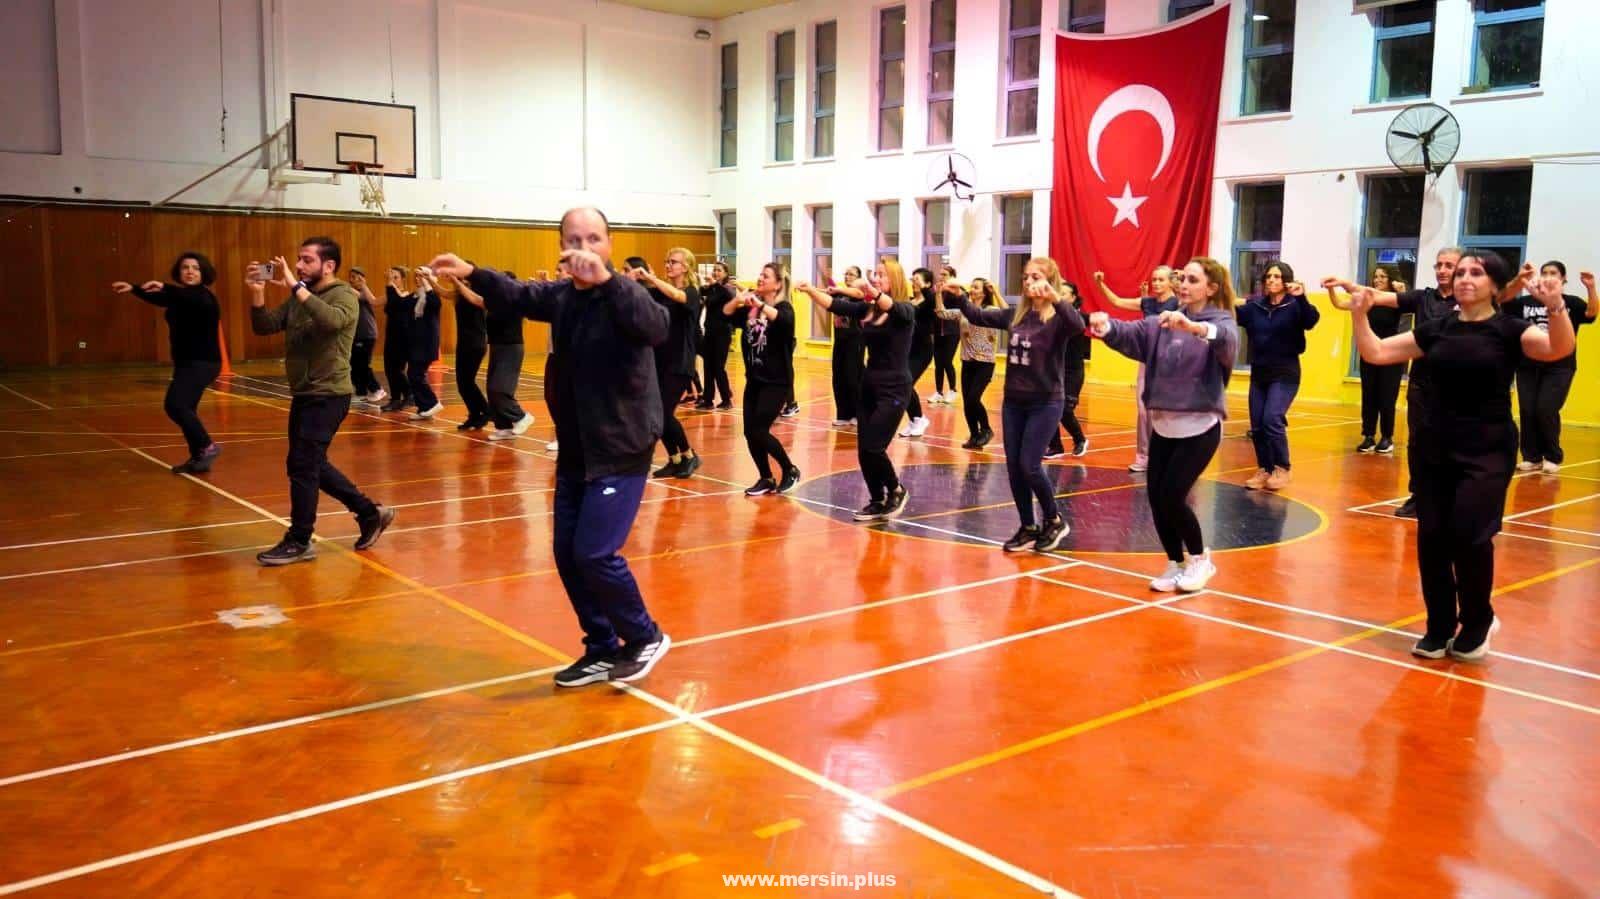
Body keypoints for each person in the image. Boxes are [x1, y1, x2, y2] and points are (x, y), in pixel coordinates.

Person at [428, 207, 672, 686]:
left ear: (609, 244)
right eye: (574, 240)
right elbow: (517, 294)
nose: (584, 249)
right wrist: (471, 271)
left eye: (594, 239)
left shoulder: (626, 296)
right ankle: (601, 646)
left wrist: (608, 280)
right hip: (578, 449)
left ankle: (644, 636)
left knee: (596, 554)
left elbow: (656, 326)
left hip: (621, 448)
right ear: (561, 247)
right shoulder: (562, 298)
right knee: (567, 554)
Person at [1349, 251, 1574, 661]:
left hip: (1486, 450)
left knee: (1470, 536)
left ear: (1495, 285)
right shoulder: (1437, 329)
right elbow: (1377, 353)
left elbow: (1558, 349)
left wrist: (1555, 305)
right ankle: (1438, 626)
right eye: (1460, 272)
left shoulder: (1510, 330)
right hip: (1434, 447)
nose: (1464, 278)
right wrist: (1359, 315)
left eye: (1476, 272)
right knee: (1432, 539)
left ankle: (1477, 621)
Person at [1090, 258, 1239, 592]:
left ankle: (1200, 559)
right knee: (1157, 497)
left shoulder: (1220, 321)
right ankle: (1175, 563)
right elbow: (1134, 333)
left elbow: (1227, 340)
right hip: (1164, 425)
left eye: (1193, 280)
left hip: (1200, 427)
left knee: (1173, 495)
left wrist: (1194, 328)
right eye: (1182, 278)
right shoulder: (1162, 321)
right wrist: (1107, 327)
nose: (1183, 284)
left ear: (1211, 288)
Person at [248, 238, 395, 566]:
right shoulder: (300, 296)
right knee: (307, 463)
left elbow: (331, 321)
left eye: (306, 260)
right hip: (305, 392)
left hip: (329, 394)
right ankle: (369, 513)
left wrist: (295, 287)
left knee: (304, 465)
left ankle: (300, 539)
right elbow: (264, 326)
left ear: (328, 266)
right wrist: (257, 292)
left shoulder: (344, 294)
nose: (298, 266)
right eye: (298, 259)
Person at [955, 258, 1085, 553]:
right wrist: (958, 295)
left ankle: (1054, 520)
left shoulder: (1058, 318)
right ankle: (1028, 526)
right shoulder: (1016, 315)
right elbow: (977, 315)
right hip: (1014, 402)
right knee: (1014, 468)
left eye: (1036, 277)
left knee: (1030, 465)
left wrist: (1055, 297)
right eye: (1025, 277)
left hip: (1045, 402)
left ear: (1050, 280)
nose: (1028, 282)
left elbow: (1078, 326)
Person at [1330, 247, 1462, 518]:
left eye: (1449, 265)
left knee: (1453, 444)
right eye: (1439, 265)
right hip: (1422, 385)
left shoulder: (1470, 301)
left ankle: (1452, 498)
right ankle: (1419, 496)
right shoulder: (1422, 298)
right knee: (1418, 443)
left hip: (1456, 387)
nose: (1442, 270)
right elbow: (1378, 296)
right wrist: (1348, 285)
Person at [798, 259, 914, 520]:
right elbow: (835, 305)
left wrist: (872, 291)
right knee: (863, 449)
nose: (876, 278)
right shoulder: (869, 309)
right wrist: (811, 290)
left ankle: (896, 490)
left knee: (874, 446)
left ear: (894, 280)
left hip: (894, 389)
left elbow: (894, 307)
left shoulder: (905, 310)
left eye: (882, 275)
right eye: (876, 274)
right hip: (870, 385)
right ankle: (877, 499)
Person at [111, 252, 224, 473]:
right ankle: (198, 457)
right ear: (179, 272)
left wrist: (164, 286)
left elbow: (183, 297)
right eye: (185, 267)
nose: (190, 271)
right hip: (187, 363)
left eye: (195, 268)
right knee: (187, 408)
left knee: (175, 405)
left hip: (202, 363)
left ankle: (207, 446)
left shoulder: (204, 297)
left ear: (204, 273)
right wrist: (134, 288)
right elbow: (161, 298)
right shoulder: (179, 296)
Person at [1498, 260, 1597, 473]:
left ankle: (1552, 456)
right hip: (1527, 364)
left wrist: (1590, 287)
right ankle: (1532, 457)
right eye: (1545, 272)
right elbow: (1501, 301)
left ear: (1563, 279)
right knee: (1527, 409)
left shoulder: (1571, 302)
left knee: (1546, 408)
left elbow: (1591, 314)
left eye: (1554, 273)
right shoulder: (1524, 302)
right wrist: (1518, 280)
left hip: (1560, 366)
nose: (1548, 276)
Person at [1236, 261, 1320, 491]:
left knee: (1272, 418)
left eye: (1277, 276)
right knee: (1257, 425)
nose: (1271, 280)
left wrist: (1302, 297)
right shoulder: (1255, 307)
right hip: (1259, 373)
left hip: (1285, 373)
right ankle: (1265, 468)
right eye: (1268, 277)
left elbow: (1311, 321)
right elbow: (1230, 313)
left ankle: (1282, 467)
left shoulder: (1295, 305)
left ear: (1286, 280)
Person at [724, 262, 801, 496]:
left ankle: (790, 469)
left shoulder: (784, 307)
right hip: (755, 379)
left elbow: (783, 321)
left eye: (765, 276)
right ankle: (766, 477)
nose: (760, 278)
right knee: (749, 432)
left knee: (759, 429)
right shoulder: (751, 309)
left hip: (776, 382)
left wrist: (759, 304)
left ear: (777, 284)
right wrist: (738, 300)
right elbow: (726, 313)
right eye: (759, 274)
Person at [1094, 266, 1180, 472]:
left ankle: (1168, 456)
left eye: (1161, 279)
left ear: (1170, 282)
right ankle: (1143, 456)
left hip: (1170, 361)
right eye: (1154, 279)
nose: (1156, 283)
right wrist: (1100, 283)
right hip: (1147, 359)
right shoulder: (1147, 302)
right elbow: (1117, 301)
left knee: (1167, 411)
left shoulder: (1179, 303)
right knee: (1143, 411)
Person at [632, 249, 704, 478]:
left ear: (686, 267)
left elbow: (678, 296)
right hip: (660, 361)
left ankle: (689, 455)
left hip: (680, 363)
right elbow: (641, 297)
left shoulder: (692, 292)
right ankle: (675, 459)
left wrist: (652, 279)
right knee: (655, 415)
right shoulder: (662, 293)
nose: (668, 265)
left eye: (673, 262)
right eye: (667, 261)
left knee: (663, 413)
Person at [1326, 266, 1406, 454]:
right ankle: (1368, 436)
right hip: (1369, 354)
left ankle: (1387, 437)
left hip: (1391, 355)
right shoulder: (1367, 299)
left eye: (1383, 276)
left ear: (1391, 279)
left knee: (1387, 397)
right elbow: (1339, 303)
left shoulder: (1395, 300)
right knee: (1369, 396)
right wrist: (1330, 288)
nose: (1378, 280)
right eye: (1375, 276)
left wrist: (1402, 290)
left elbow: (1408, 302)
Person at [937, 277, 1004, 449]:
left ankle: (986, 429)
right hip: (967, 362)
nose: (972, 290)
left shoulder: (991, 311)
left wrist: (996, 292)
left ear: (984, 292)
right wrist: (938, 293)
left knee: (974, 398)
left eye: (976, 287)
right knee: (967, 402)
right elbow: (941, 313)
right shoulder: (963, 311)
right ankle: (974, 435)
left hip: (985, 363)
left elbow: (1008, 315)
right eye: (971, 287)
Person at [1045, 281, 1092, 459]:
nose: (1060, 296)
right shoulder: (1051, 316)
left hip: (1072, 372)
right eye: (1059, 292)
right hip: (1053, 369)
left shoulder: (1078, 317)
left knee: (1064, 409)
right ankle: (1055, 446)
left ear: (1073, 298)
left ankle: (1080, 439)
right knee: (1048, 408)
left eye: (1064, 293)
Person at [447, 263, 491, 430]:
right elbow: (444, 293)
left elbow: (472, 298)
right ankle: (474, 414)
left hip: (475, 343)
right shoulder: (459, 293)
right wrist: (429, 279)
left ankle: (485, 412)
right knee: (462, 383)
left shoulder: (477, 293)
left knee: (467, 381)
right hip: (464, 343)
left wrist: (456, 281)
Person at [400, 266, 443, 420]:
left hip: (427, 342)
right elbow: (402, 304)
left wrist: (427, 281)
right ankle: (424, 407)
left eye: (421, 276)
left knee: (416, 374)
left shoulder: (432, 295)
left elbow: (435, 304)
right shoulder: (415, 296)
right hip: (416, 343)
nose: (418, 279)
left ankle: (432, 403)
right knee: (413, 374)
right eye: (416, 276)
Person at [899, 268, 938, 437]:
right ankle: (915, 419)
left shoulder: (929, 301)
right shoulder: (909, 301)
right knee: (902, 384)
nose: (913, 282)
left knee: (906, 383)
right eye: (912, 279)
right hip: (906, 349)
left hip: (922, 351)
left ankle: (919, 418)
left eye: (917, 279)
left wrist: (925, 288)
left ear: (927, 284)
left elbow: (931, 297)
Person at [827, 265, 867, 428]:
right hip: (840, 341)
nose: (847, 277)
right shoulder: (840, 295)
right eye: (846, 274)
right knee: (838, 377)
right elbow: (827, 295)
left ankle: (858, 414)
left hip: (855, 341)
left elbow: (857, 293)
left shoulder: (859, 295)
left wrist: (837, 289)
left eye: (851, 274)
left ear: (858, 278)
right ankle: (843, 415)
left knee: (853, 378)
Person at [697, 261, 737, 411]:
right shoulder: (712, 289)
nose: (715, 272)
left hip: (722, 333)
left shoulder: (727, 288)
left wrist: (714, 284)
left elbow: (729, 296)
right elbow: (700, 291)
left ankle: (726, 399)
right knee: (708, 366)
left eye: (719, 270)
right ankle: (708, 400)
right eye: (714, 270)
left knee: (718, 367)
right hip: (710, 332)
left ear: (726, 273)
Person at [347, 268, 386, 405]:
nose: (352, 280)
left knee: (362, 364)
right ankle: (361, 392)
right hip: (356, 334)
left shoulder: (364, 292)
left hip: (366, 334)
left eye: (355, 277)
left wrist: (337, 284)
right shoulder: (350, 292)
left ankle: (377, 389)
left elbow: (361, 296)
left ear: (362, 279)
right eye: (351, 277)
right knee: (353, 364)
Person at [378, 266, 413, 412]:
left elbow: (398, 299)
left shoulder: (405, 295)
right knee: (389, 368)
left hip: (402, 336)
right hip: (391, 335)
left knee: (397, 369)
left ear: (403, 279)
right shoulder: (391, 293)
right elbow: (374, 301)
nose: (392, 280)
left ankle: (410, 394)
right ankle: (395, 399)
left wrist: (389, 282)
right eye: (391, 277)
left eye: (395, 277)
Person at [930, 264, 962, 405]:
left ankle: (953, 390)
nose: (941, 277)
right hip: (938, 332)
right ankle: (938, 392)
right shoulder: (937, 292)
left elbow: (960, 307)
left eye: (945, 275)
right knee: (938, 363)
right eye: (940, 274)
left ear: (952, 277)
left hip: (952, 332)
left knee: (947, 361)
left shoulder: (956, 291)